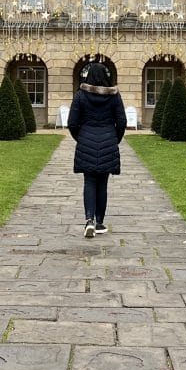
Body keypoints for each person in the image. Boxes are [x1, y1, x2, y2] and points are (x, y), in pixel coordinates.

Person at [67, 62, 127, 238]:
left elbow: (72, 123)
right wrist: (115, 138)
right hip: (109, 139)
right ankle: (99, 222)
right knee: (103, 183)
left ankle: (89, 220)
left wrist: (81, 137)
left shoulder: (80, 95)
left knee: (89, 182)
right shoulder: (115, 96)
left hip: (86, 139)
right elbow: (122, 122)